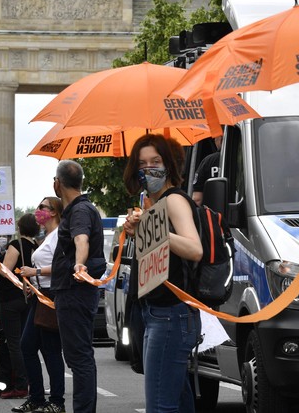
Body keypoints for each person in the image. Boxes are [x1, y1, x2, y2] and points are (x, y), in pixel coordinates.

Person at [122, 134, 203, 413]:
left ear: (168, 164)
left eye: (155, 161)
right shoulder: (154, 205)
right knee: (177, 403)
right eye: (142, 164)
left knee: (160, 406)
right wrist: (140, 227)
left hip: (171, 314)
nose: (149, 169)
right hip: (159, 312)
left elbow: (194, 249)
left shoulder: (173, 201)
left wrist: (155, 229)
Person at [50, 160, 105, 413]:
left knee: (79, 357)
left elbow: (81, 239)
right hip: (75, 291)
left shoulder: (80, 211)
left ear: (57, 184)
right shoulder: (80, 209)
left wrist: (79, 265)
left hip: (75, 291)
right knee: (80, 356)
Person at [14, 197, 67, 413]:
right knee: (27, 346)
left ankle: (56, 401)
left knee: (51, 350)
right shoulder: (45, 237)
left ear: (54, 212)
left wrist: (34, 272)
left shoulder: (59, 236)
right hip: (39, 294)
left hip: (51, 296)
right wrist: (32, 283)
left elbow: (62, 266)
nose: (38, 211)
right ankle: (36, 397)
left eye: (42, 207)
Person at [0, 214, 40, 400]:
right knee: (24, 342)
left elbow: (6, 270)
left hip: (11, 299)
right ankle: (30, 381)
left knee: (14, 343)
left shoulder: (15, 245)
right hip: (28, 298)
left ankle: (21, 384)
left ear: (20, 227)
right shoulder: (37, 247)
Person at [191, 134, 222, 206]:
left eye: (215, 138)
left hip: (212, 213)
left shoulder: (207, 161)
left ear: (221, 138)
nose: (214, 140)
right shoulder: (246, 160)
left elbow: (197, 199)